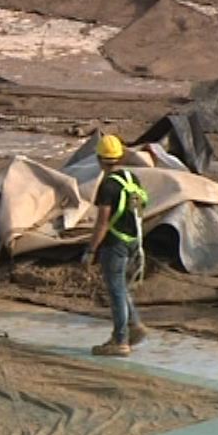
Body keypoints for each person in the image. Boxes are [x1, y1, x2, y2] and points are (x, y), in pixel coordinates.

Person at [81, 133, 150, 357]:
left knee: (116, 291)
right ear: (120, 157)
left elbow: (102, 222)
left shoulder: (108, 186)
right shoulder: (132, 178)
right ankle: (134, 325)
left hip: (115, 244)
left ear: (100, 159)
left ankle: (120, 341)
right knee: (121, 287)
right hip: (134, 241)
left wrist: (90, 250)